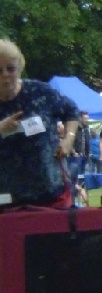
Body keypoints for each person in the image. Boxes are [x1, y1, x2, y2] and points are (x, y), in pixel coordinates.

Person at [0, 39, 80, 207]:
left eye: (11, 69)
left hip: (50, 191)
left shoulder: (40, 92)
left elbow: (71, 110)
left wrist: (68, 139)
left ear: (20, 68)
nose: (5, 75)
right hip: (6, 198)